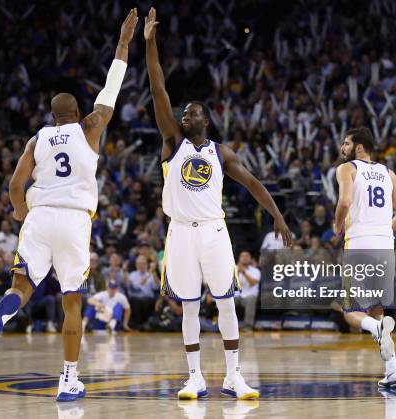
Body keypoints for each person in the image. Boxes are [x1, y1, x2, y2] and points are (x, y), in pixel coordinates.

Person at [0, 9, 139, 403]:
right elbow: (111, 88)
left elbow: (16, 184)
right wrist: (122, 43)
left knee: (23, 283)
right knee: (71, 300)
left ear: (52, 116)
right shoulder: (91, 127)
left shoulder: (38, 139)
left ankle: (10, 307)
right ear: (77, 113)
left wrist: (19, 212)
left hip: (40, 215)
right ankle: (68, 380)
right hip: (74, 220)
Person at [144, 7, 292, 400]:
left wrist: (277, 216)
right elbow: (158, 87)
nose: (184, 114)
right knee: (189, 308)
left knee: (226, 303)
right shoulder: (171, 142)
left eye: (192, 112)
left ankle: (233, 375)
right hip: (179, 233)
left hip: (213, 231)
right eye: (184, 112)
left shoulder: (220, 153)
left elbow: (253, 183)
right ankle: (194, 377)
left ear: (205, 120)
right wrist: (150, 42)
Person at [334, 127, 396, 388]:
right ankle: (393, 370)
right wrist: (381, 228)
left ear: (358, 148)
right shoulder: (389, 173)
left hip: (359, 245)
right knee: (377, 311)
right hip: (385, 247)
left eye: (346, 144)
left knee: (351, 312)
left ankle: (378, 331)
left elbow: (344, 202)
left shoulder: (347, 169)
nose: (342, 148)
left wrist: (337, 225)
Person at [234, 251, 261, 330]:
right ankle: (227, 326)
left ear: (251, 259)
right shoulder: (233, 269)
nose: (245, 258)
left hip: (250, 295)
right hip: (236, 295)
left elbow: (253, 283)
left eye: (247, 256)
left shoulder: (255, 271)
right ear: (239, 258)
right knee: (228, 300)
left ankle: (248, 326)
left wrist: (243, 272)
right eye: (242, 256)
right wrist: (237, 272)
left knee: (251, 300)